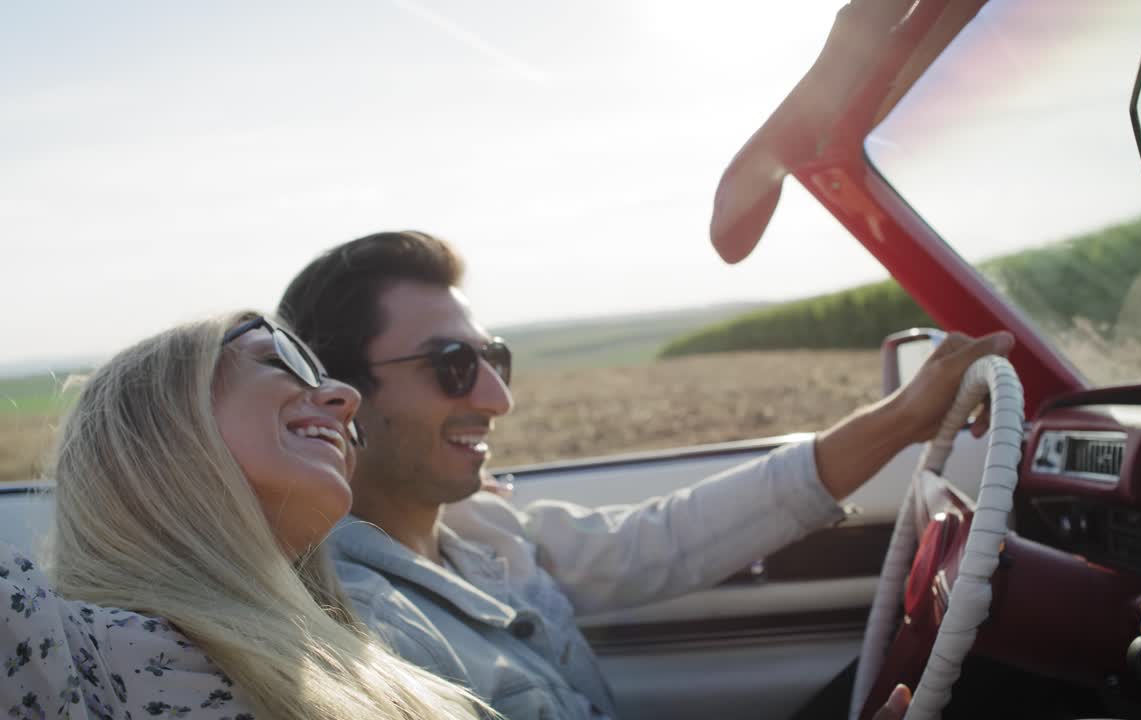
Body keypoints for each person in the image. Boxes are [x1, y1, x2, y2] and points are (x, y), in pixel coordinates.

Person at [279, 230, 1013, 720]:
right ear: (339, 395)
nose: (498, 398)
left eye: (493, 358)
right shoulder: (365, 633)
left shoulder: (479, 526)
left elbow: (661, 541)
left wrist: (898, 420)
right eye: (453, 366)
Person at [1, 312, 486, 720]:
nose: (345, 398)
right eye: (281, 360)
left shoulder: (362, 657)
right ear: (155, 424)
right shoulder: (61, 653)